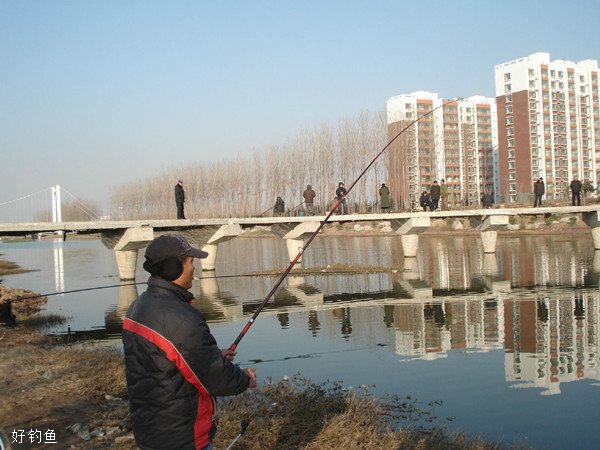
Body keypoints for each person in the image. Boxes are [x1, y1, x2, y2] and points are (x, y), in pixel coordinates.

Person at [123, 234, 257, 450]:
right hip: (182, 438)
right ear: (173, 268)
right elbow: (217, 378)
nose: (194, 268)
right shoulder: (181, 318)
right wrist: (245, 379)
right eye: (190, 262)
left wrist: (212, 355)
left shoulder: (138, 306)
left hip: (150, 433)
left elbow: (163, 360)